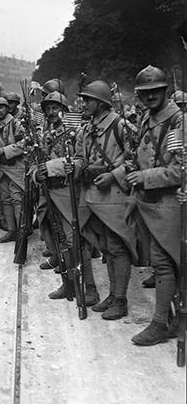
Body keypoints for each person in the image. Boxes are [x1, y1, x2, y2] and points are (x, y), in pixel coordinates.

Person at [125, 66, 186, 344]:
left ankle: (162, 323)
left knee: (166, 264)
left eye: (155, 92)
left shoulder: (178, 122)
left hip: (170, 204)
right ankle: (173, 317)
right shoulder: (148, 119)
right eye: (144, 93)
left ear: (164, 91)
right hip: (151, 204)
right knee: (164, 264)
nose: (150, 97)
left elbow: (180, 171)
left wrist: (144, 176)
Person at [73, 80, 137, 320]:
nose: (84, 103)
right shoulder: (87, 128)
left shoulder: (122, 126)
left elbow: (136, 159)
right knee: (107, 247)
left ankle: (120, 300)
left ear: (101, 103)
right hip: (92, 196)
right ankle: (113, 294)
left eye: (88, 100)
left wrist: (113, 175)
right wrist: (75, 166)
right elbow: (81, 157)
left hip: (115, 195)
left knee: (118, 246)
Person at [32, 92, 100, 305]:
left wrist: (51, 168)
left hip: (68, 192)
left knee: (75, 242)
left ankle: (90, 288)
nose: (51, 112)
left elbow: (80, 161)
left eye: (55, 108)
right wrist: (37, 174)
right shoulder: (44, 135)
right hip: (48, 193)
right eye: (48, 109)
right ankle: (69, 282)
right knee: (59, 240)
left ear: (64, 110)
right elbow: (35, 163)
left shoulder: (75, 133)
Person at [0, 97, 25, 243]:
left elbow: (25, 143)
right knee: (5, 199)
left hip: (15, 168)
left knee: (17, 199)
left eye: (1, 108)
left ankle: (22, 230)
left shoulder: (16, 123)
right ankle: (11, 230)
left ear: (7, 109)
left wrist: (4, 150)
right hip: (0, 170)